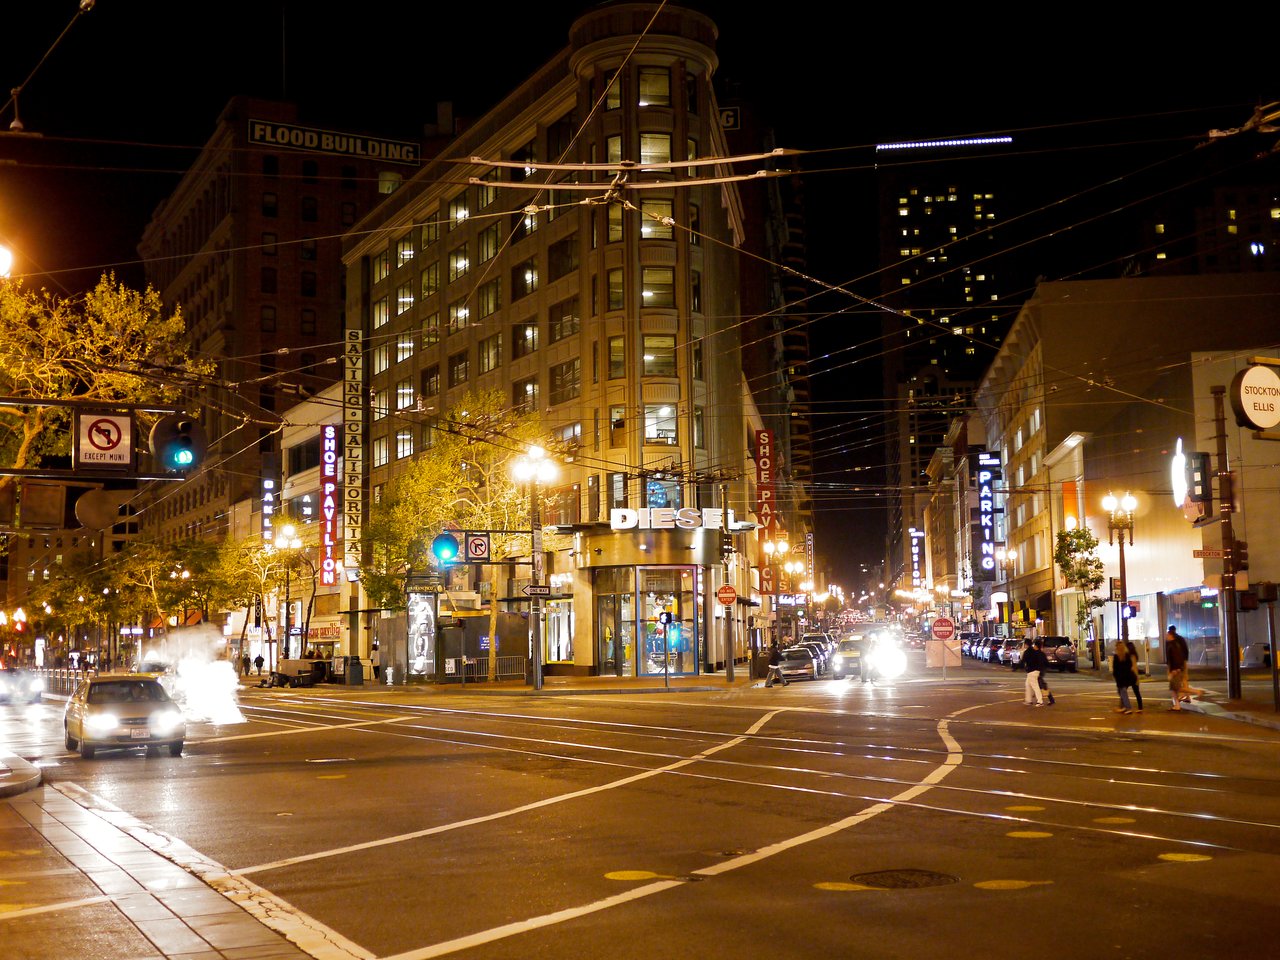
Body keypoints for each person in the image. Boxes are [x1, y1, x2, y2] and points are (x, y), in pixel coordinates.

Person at [1165, 625, 1190, 711]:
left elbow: (1171, 656)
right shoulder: (1180, 639)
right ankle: (1186, 697)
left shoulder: (1172, 642)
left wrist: (1172, 669)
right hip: (1181, 663)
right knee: (1183, 680)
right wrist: (1185, 660)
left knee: (1175, 686)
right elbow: (1185, 650)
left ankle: (1182, 699)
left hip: (1176, 666)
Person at [1112, 640, 1140, 714]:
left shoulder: (1117, 657)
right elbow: (1130, 665)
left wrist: (1116, 676)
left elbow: (1115, 668)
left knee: (1122, 692)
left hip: (1121, 678)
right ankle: (1124, 706)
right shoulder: (1127, 655)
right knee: (1121, 692)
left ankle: (1128, 707)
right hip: (1127, 677)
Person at [1022, 639, 1047, 706]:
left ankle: (1040, 701)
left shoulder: (1027, 652)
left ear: (1026, 644)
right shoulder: (1034, 651)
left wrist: (1016, 668)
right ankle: (1028, 700)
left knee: (1035, 686)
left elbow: (1022, 661)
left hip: (1032, 671)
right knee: (1028, 685)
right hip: (1035, 670)